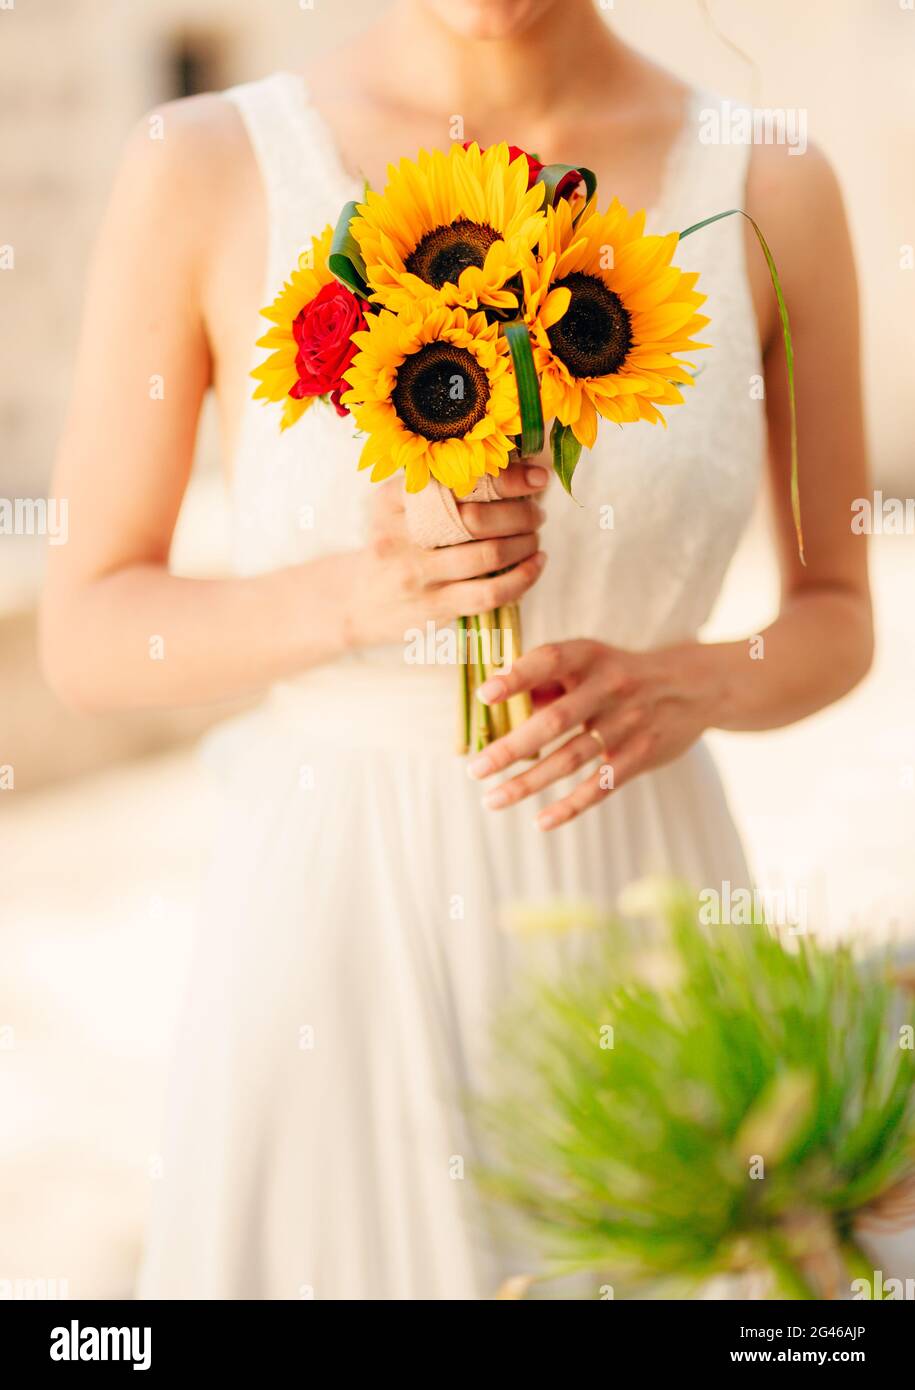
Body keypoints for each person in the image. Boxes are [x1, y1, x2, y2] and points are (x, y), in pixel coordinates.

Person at [41, 0, 872, 1298]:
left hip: (643, 895)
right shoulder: (201, 162)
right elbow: (87, 631)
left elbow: (839, 612)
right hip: (331, 919)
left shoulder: (771, 182)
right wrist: (364, 591)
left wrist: (691, 682)